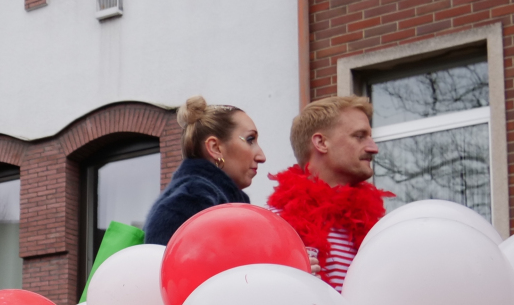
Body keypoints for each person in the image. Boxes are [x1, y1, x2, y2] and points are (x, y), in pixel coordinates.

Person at [266, 95, 390, 292]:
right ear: (321, 142)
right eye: (359, 136)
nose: (373, 148)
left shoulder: (379, 229)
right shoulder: (273, 226)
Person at [143, 96, 266, 245]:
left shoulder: (201, 197)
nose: (262, 157)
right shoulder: (192, 199)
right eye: (250, 139)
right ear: (215, 148)